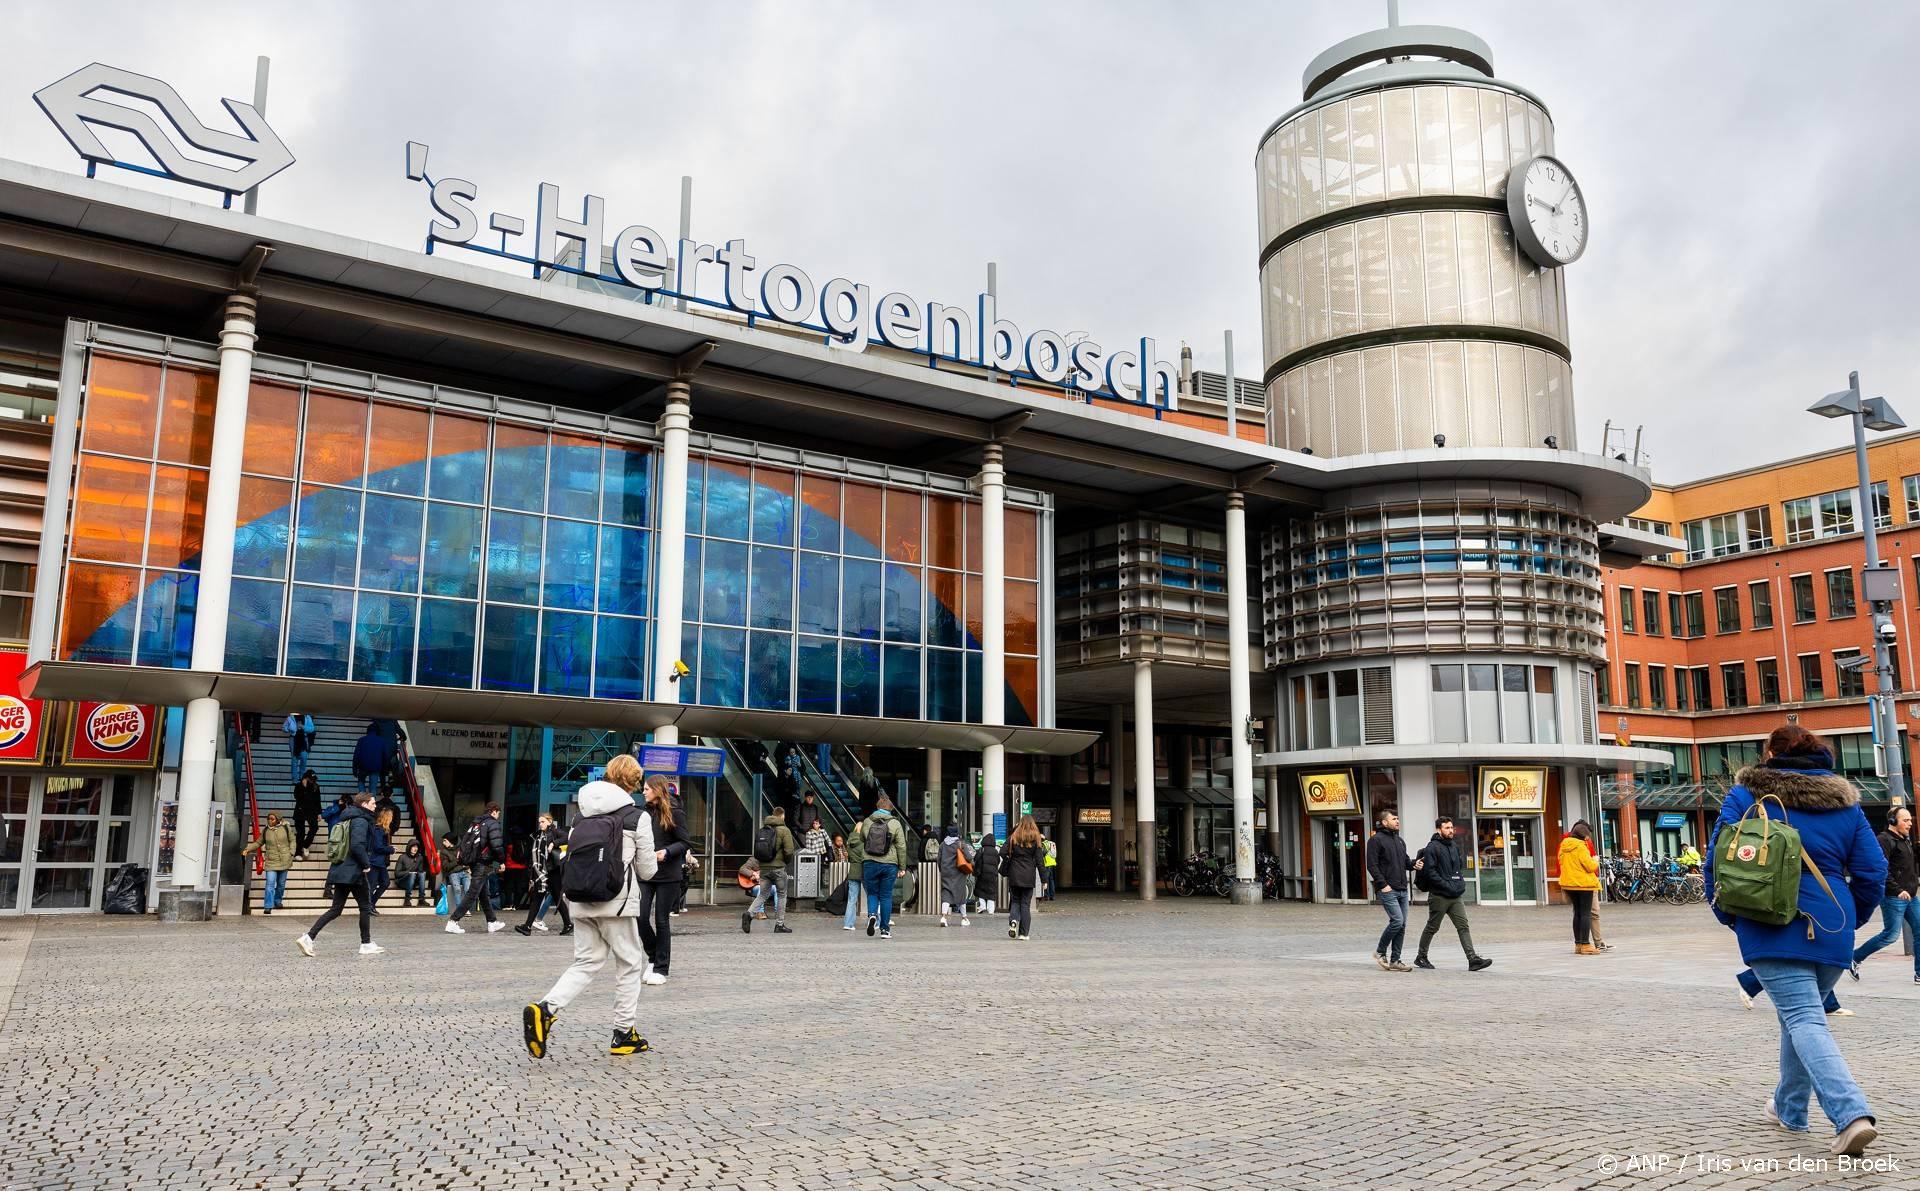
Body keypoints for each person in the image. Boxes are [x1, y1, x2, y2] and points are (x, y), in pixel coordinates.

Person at [1704, 725, 1885, 1156]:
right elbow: (1873, 871)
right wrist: (1850, 921)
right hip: (1832, 925)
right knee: (1798, 1017)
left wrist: (1731, 916)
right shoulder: (1847, 804)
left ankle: (1850, 1114)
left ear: (1769, 753)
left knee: (1804, 1018)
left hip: (1768, 921)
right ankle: (1789, 1109)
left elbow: (1718, 862)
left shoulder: (1747, 796)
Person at [522, 753, 658, 1060]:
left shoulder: (581, 815)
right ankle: (623, 1033)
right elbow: (648, 871)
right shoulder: (637, 817)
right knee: (631, 962)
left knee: (586, 961)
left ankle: (546, 1010)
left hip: (580, 898)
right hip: (616, 902)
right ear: (634, 782)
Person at [295, 791, 381, 956]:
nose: (375, 805)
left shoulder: (348, 817)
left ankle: (308, 937)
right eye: (373, 803)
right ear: (364, 805)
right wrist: (366, 864)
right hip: (354, 871)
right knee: (365, 907)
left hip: (341, 869)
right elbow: (357, 846)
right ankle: (366, 943)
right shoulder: (361, 821)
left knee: (335, 909)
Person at [1411, 816, 1491, 971]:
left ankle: (1472, 959)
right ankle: (1421, 956)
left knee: (1463, 926)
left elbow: (1458, 868)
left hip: (1455, 896)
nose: (1450, 831)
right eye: (1447, 828)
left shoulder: (1454, 846)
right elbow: (1430, 872)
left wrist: (1458, 884)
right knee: (1432, 927)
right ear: (1438, 829)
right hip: (1439, 895)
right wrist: (1446, 885)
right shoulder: (1432, 847)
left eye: (1451, 827)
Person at [1850, 805, 1919, 984]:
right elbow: (1882, 869)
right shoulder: (1884, 840)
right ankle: (1855, 957)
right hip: (1894, 896)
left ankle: (1919, 973)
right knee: (1890, 934)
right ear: (1892, 821)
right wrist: (1898, 890)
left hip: (1910, 895)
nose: (1910, 823)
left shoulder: (1905, 839)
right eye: (1906, 820)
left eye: (1910, 820)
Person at [639, 774, 690, 985]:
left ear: (658, 790)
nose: (643, 792)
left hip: (668, 874)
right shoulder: (642, 813)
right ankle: (652, 955)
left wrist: (666, 852)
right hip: (646, 872)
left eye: (647, 789)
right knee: (639, 916)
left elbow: (685, 842)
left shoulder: (675, 812)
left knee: (661, 920)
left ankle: (661, 968)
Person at [446, 802, 507, 934]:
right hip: (483, 862)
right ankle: (453, 921)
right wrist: (501, 861)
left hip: (474, 861)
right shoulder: (492, 823)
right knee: (473, 893)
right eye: (498, 813)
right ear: (494, 811)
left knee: (483, 893)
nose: (498, 816)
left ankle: (492, 922)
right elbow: (497, 845)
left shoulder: (476, 823)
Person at [854, 795, 909, 939]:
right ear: (890, 809)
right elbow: (901, 846)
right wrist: (902, 867)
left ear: (877, 807)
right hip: (889, 864)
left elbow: (861, 838)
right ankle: (885, 929)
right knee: (885, 896)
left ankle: (872, 915)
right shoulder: (895, 824)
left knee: (872, 894)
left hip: (869, 862)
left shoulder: (867, 821)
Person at [1365, 808, 1412, 972]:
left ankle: (1395, 960)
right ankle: (1379, 951)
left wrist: (1415, 864)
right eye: (1394, 819)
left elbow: (1406, 862)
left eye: (1398, 818)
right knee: (1397, 921)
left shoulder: (1399, 841)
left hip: (1402, 889)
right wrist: (1383, 885)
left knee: (1402, 925)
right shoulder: (1375, 840)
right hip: (1388, 889)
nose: (1397, 821)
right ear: (1385, 822)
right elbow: (1372, 865)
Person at [515, 814, 574, 936]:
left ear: (549, 821)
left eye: (543, 821)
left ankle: (529, 926)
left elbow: (567, 838)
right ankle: (528, 926)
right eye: (539, 822)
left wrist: (554, 843)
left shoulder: (555, 832)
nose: (540, 824)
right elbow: (534, 857)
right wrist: (532, 875)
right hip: (541, 872)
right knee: (539, 898)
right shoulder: (537, 836)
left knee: (555, 897)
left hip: (553, 871)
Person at [743, 806, 795, 935]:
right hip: (778, 868)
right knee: (782, 894)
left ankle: (749, 914)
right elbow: (789, 851)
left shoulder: (763, 830)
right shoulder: (784, 830)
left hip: (764, 869)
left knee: (763, 894)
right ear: (782, 816)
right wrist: (785, 862)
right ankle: (779, 924)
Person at [1559, 821, 1601, 955]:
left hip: (1569, 884)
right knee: (1585, 914)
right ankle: (1586, 945)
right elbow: (1589, 866)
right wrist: (1595, 861)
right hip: (1584, 884)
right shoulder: (1581, 847)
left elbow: (1561, 862)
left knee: (1577, 913)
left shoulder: (1564, 845)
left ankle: (1578, 944)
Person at [243, 811, 296, 916]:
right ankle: (268, 906)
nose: (270, 821)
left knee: (281, 884)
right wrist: (247, 849)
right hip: (271, 861)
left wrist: (291, 853)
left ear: (278, 820)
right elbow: (258, 842)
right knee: (270, 884)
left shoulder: (286, 828)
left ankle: (277, 901)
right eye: (269, 819)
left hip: (284, 860)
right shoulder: (266, 830)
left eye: (272, 819)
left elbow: (292, 841)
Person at [1003, 815, 1044, 940]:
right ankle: (1023, 934)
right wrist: (1044, 880)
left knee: (1015, 901)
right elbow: (1039, 861)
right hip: (1028, 875)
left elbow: (1002, 852)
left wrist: (1011, 857)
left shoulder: (1013, 837)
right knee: (1025, 904)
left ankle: (1014, 921)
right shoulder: (1036, 839)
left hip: (1014, 874)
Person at [937, 823, 975, 926]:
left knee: (946, 894)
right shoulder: (960, 844)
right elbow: (968, 857)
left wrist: (942, 870)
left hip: (946, 873)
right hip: (958, 874)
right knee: (961, 895)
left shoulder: (942, 845)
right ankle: (964, 918)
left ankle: (943, 917)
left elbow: (939, 860)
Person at [367, 807, 394, 915]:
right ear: (387, 818)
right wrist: (390, 849)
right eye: (391, 816)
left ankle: (371, 904)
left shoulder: (383, 830)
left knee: (385, 882)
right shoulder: (378, 829)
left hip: (380, 862)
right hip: (374, 861)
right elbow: (378, 847)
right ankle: (368, 907)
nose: (392, 818)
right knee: (373, 885)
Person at [841, 817, 867, 931]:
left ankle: (848, 923)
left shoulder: (849, 841)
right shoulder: (864, 842)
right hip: (864, 870)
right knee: (872, 897)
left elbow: (850, 857)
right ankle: (876, 921)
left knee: (852, 899)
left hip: (853, 871)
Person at [292, 770, 323, 860]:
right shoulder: (298, 786)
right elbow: (298, 798)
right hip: (300, 811)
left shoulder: (316, 786)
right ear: (305, 778)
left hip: (312, 811)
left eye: (313, 779)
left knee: (314, 828)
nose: (312, 781)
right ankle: (298, 853)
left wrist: (319, 813)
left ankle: (305, 845)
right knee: (301, 833)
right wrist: (304, 787)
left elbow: (318, 801)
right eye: (311, 779)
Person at [351, 726, 388, 795]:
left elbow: (356, 755)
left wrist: (354, 768)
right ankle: (372, 801)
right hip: (376, 767)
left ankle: (363, 799)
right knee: (373, 786)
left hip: (363, 766)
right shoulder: (381, 741)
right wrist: (385, 769)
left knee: (361, 782)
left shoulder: (361, 740)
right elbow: (385, 756)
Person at [282, 713, 316, 785]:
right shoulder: (290, 717)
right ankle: (295, 779)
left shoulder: (307, 717)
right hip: (294, 739)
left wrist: (303, 727)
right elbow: (284, 728)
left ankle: (302, 777)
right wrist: (291, 729)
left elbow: (312, 728)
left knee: (304, 758)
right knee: (294, 759)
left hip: (304, 739)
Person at [973, 831, 1001, 916]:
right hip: (992, 874)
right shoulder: (995, 851)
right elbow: (998, 861)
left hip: (982, 873)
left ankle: (982, 906)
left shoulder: (982, 849)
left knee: (981, 890)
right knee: (991, 891)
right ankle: (991, 910)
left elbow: (976, 859)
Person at [395, 839, 429, 907]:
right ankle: (407, 899)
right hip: (402, 881)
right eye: (413, 847)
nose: (415, 849)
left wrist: (418, 871)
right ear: (409, 847)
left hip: (413, 882)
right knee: (412, 874)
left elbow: (420, 872)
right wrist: (409, 872)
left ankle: (421, 899)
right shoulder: (402, 857)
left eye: (416, 847)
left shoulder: (419, 858)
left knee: (422, 874)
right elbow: (397, 874)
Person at [439, 833, 468, 913]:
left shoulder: (460, 849)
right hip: (453, 873)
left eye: (445, 841)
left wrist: (464, 866)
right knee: (457, 889)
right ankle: (460, 910)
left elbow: (466, 862)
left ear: (451, 841)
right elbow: (446, 867)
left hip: (464, 872)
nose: (443, 843)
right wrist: (457, 861)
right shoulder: (444, 852)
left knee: (468, 890)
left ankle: (466, 909)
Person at [1041, 835, 1059, 901]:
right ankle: (1052, 896)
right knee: (1051, 880)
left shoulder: (1043, 844)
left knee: (1046, 880)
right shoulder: (1052, 843)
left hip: (1046, 864)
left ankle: (1046, 896)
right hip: (1052, 863)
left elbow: (1041, 854)